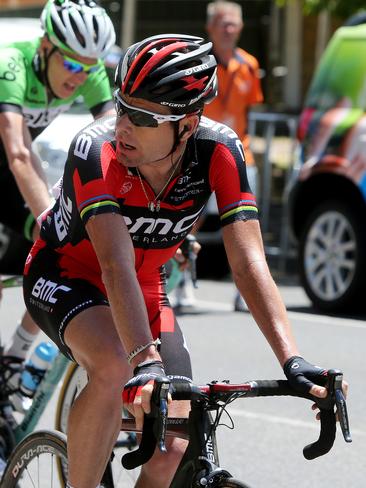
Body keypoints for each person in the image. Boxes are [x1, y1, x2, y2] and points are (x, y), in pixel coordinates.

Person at [23, 34, 340, 488]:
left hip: (145, 284)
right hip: (66, 274)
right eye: (120, 106)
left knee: (173, 446)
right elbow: (113, 264)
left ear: (187, 125)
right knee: (115, 366)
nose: (122, 125)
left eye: (141, 116)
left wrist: (292, 360)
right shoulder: (96, 150)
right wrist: (145, 361)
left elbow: (248, 261)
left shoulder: (219, 151)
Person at [0, 0, 116, 377]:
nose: (78, 76)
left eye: (86, 68)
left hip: (13, 177)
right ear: (45, 46)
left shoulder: (90, 71)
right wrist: (49, 216)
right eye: (69, 64)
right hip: (15, 161)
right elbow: (17, 150)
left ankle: (14, 359)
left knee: (55, 256)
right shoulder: (12, 64)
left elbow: (116, 145)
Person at [203, 0, 264, 312]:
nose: (228, 30)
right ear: (210, 27)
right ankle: (177, 281)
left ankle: (246, 292)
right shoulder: (199, 63)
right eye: (222, 24)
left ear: (240, 28)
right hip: (201, 150)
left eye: (233, 24)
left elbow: (249, 112)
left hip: (240, 154)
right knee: (188, 220)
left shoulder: (250, 65)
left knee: (244, 223)